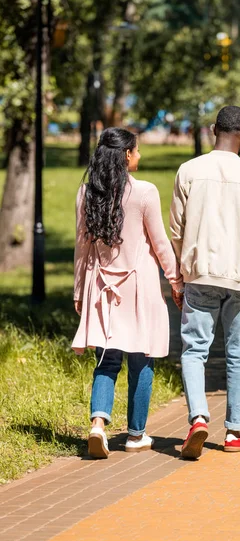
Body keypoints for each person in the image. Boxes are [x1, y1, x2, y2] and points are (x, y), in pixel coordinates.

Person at [72, 127, 183, 459]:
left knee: (106, 361)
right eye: (136, 151)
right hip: (138, 287)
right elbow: (160, 244)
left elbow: (81, 247)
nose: (140, 156)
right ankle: (136, 434)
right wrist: (176, 281)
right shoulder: (145, 192)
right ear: (125, 155)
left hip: (100, 286)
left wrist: (79, 289)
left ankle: (97, 425)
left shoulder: (86, 192)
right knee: (142, 358)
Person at [170, 105, 240, 459]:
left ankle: (198, 417)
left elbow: (176, 231)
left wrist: (180, 278)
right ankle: (234, 431)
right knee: (239, 352)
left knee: (194, 350)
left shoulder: (188, 171)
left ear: (214, 129)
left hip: (198, 275)